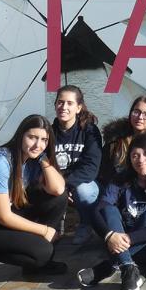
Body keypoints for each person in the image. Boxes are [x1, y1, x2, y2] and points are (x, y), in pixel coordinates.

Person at [0, 115, 70, 285]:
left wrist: (43, 158)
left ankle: (37, 262)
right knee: (42, 252)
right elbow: (4, 217)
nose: (38, 144)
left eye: (44, 140)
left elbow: (58, 189)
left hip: (5, 213)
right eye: (32, 137)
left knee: (58, 199)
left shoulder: (33, 158)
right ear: (20, 136)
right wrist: (45, 231)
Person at [78, 134, 146, 290]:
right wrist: (109, 235)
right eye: (135, 155)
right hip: (118, 243)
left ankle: (109, 267)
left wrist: (128, 239)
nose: (141, 160)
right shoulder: (120, 179)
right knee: (109, 210)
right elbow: (97, 210)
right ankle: (127, 267)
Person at [50, 85, 103, 245]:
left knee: (84, 191)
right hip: (58, 183)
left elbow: (91, 168)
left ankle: (86, 223)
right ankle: (50, 227)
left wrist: (66, 185)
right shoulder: (49, 132)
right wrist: (59, 186)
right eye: (60, 102)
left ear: (78, 107)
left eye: (69, 103)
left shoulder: (90, 131)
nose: (63, 107)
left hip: (81, 183)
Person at [101, 95, 146, 184]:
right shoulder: (116, 138)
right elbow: (104, 168)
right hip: (118, 185)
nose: (140, 117)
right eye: (136, 112)